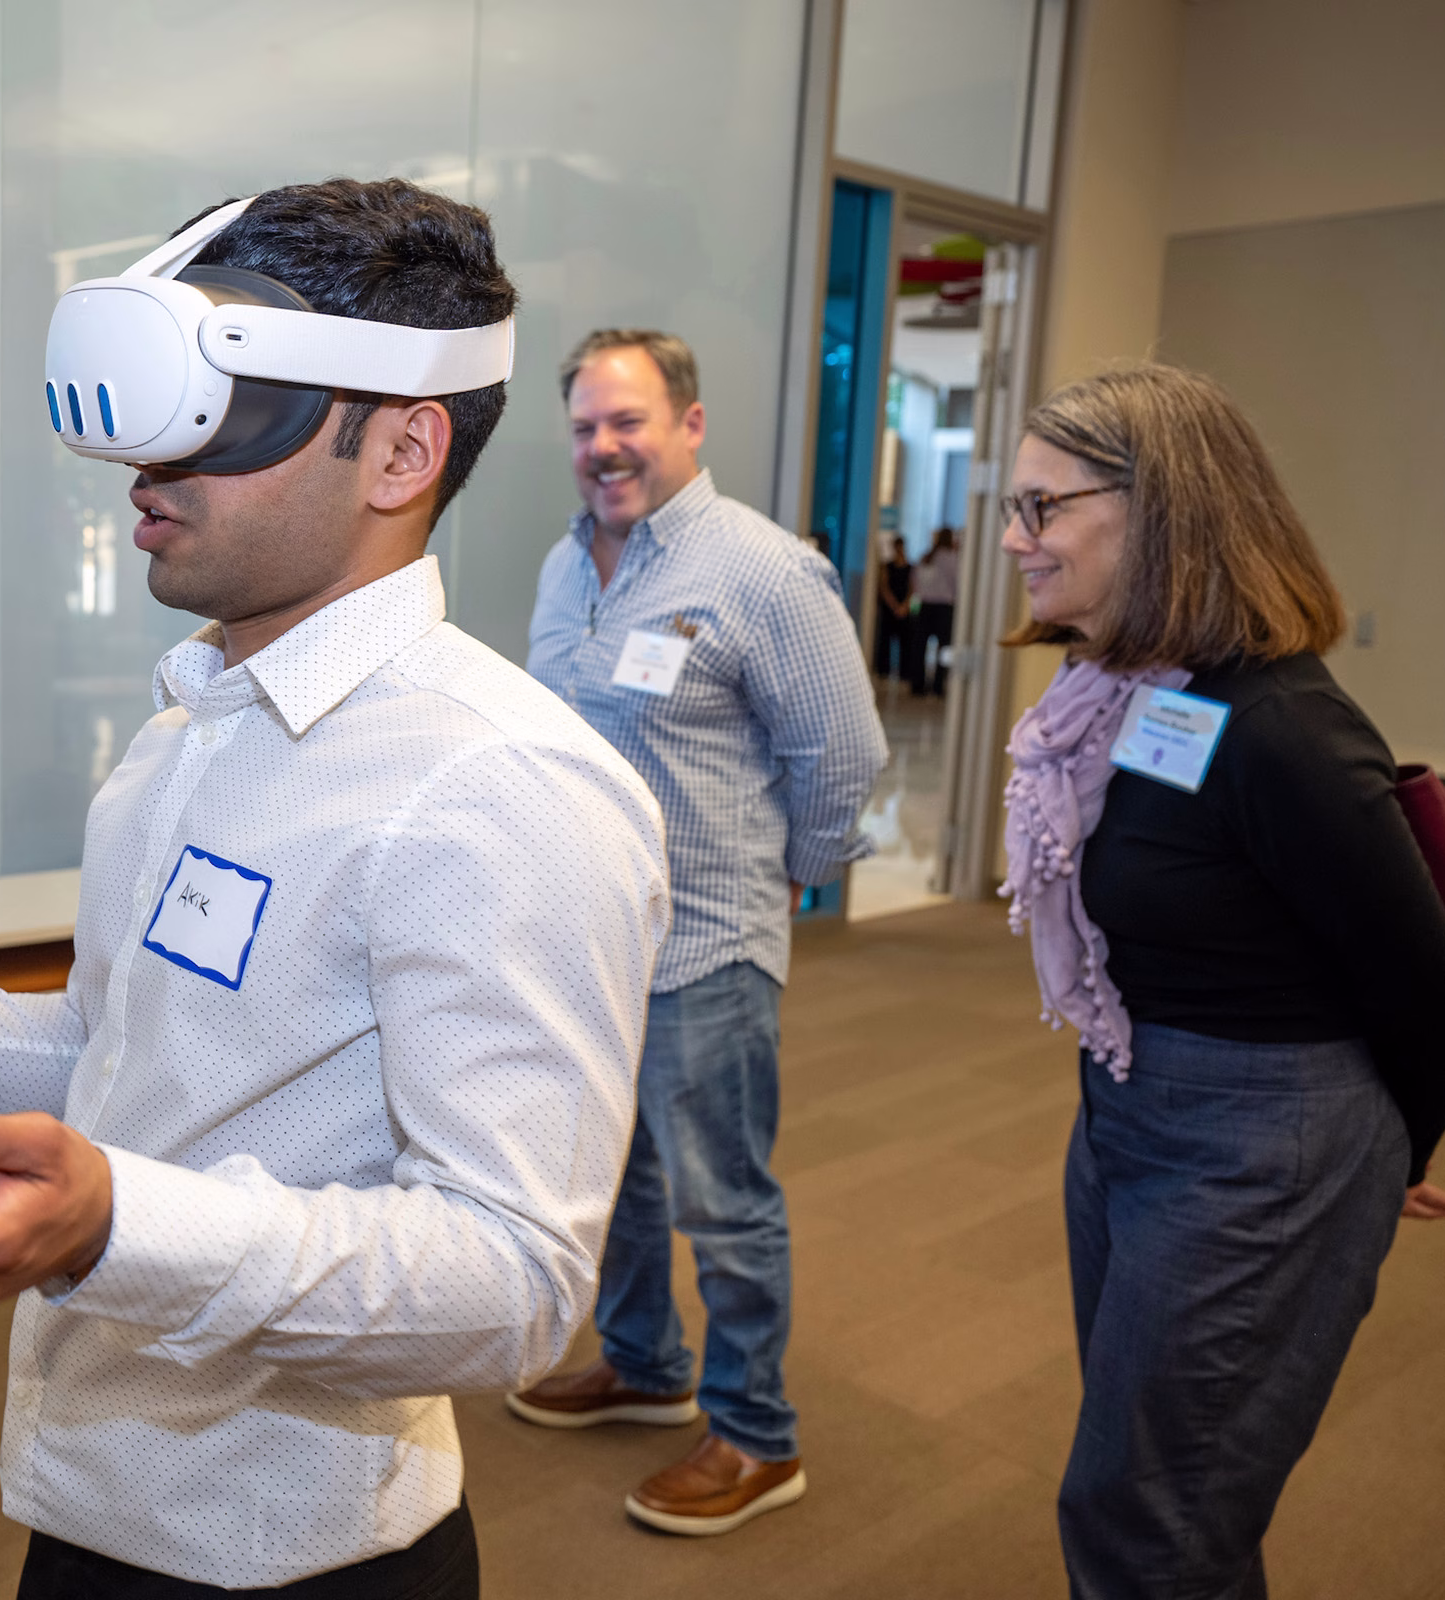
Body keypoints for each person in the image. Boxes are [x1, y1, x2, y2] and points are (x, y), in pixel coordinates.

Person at [0, 179, 671, 1599]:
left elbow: (514, 1280)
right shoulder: (186, 737)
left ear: (402, 450)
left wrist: (113, 1226)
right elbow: (124, 1057)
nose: (146, 470)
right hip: (95, 1508)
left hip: (294, 1563)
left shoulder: (501, 787)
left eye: (224, 415)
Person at [996, 363, 1445, 1599]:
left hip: (1262, 1143)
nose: (1012, 538)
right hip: (1129, 1107)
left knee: (1149, 1517)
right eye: (1013, 505)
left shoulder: (1279, 727)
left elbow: (1431, 985)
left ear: (1161, 511)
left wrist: (1378, 1164)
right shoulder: (1121, 695)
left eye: (1042, 507)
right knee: (1161, 1481)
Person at [510, 329, 886, 1537]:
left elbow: (844, 755)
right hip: (594, 942)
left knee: (722, 1199)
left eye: (627, 421)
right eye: (584, 427)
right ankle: (643, 1362)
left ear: (690, 423)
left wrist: (787, 882)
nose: (603, 447)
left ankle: (756, 1434)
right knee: (617, 1175)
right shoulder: (567, 565)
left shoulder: (766, 572)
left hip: (708, 939)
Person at [908, 525, 959, 695]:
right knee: (943, 648)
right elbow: (957, 583)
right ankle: (938, 685)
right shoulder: (952, 559)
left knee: (920, 646)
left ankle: (917, 684)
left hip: (925, 606)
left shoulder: (926, 557)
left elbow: (915, 580)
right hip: (944, 607)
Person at [873, 534, 914, 682]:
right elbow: (884, 587)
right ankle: (883, 669)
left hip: (903, 607)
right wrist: (894, 605)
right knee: (885, 640)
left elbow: (911, 588)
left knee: (905, 642)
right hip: (890, 607)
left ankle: (904, 672)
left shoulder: (910, 567)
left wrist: (904, 606)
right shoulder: (887, 566)